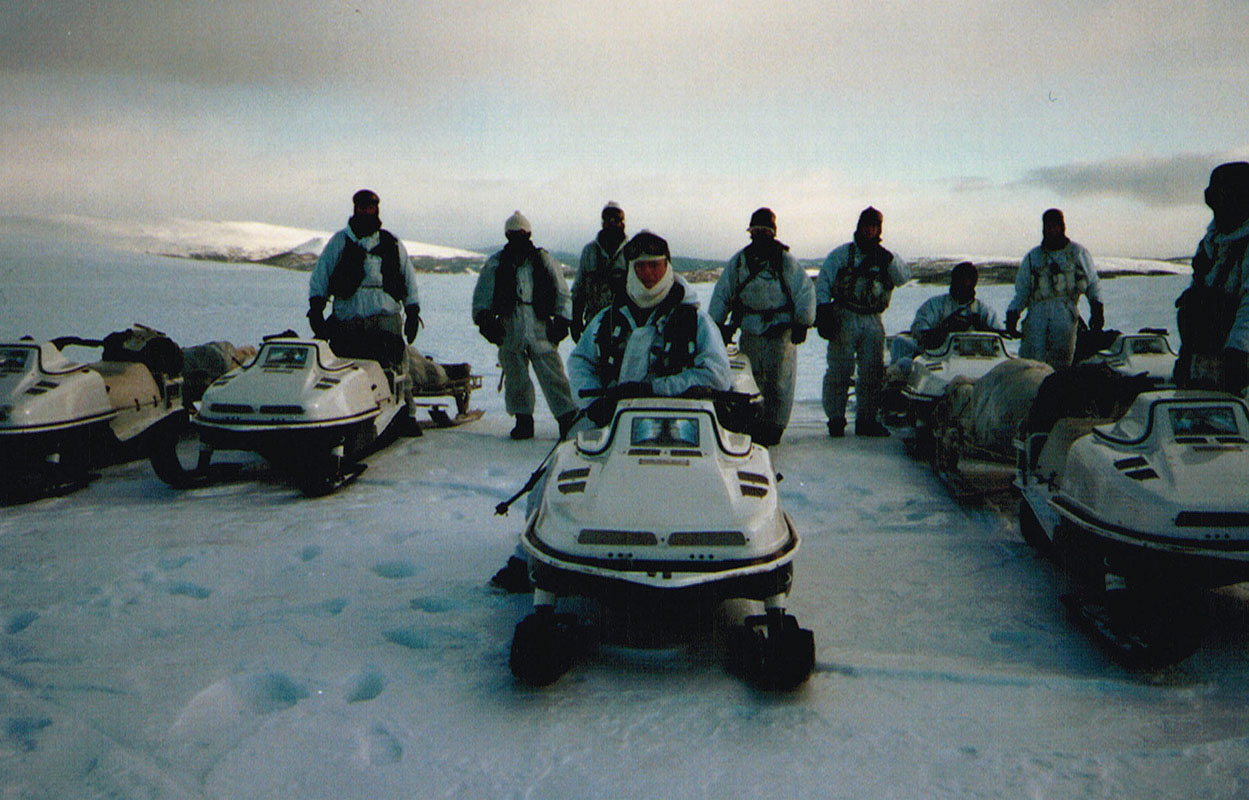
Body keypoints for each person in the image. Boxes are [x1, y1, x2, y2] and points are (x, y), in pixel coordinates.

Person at [568, 230, 732, 428]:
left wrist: (653, 390)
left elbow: (717, 375)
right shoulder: (608, 319)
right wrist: (594, 403)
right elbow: (580, 361)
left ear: (667, 267)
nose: (647, 273)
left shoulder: (696, 322)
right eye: (640, 266)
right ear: (630, 269)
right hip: (613, 425)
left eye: (654, 265)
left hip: (680, 424)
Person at [307, 189, 423, 423]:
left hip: (385, 319)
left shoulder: (391, 243)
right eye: (362, 207)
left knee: (398, 369)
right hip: (349, 321)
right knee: (346, 373)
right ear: (355, 209)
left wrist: (412, 311)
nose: (366, 211)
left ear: (377, 210)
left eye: (370, 207)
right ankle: (344, 416)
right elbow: (321, 275)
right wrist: (316, 307)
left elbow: (408, 278)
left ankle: (406, 415)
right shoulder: (340, 242)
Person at [707, 208, 816, 445]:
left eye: (765, 231)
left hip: (781, 332)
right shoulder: (738, 263)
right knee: (750, 379)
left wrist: (803, 322)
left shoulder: (787, 263)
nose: (760, 236)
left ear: (773, 233)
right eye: (756, 231)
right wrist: (715, 325)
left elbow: (804, 291)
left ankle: (775, 426)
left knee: (780, 381)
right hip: (751, 329)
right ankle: (753, 423)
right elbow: (722, 294)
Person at [472, 211, 578, 440]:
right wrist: (487, 323)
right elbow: (482, 297)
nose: (517, 237)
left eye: (521, 233)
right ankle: (523, 421)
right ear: (507, 235)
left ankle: (567, 419)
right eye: (513, 234)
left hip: (540, 324)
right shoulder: (496, 263)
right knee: (515, 376)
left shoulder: (543, 260)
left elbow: (562, 292)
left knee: (553, 375)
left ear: (528, 233)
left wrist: (562, 321)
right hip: (510, 325)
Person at [815, 206, 912, 437]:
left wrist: (887, 259)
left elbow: (903, 278)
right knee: (839, 369)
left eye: (874, 226)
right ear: (859, 227)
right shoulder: (841, 255)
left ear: (879, 229)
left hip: (872, 319)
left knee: (872, 372)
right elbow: (823, 282)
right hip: (844, 317)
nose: (869, 230)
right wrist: (823, 310)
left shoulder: (886, 258)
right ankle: (836, 418)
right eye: (866, 226)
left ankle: (866, 420)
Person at [1174, 161, 1249, 394]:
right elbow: (1200, 293)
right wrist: (1188, 355)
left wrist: (1238, 353)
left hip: (1239, 360)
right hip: (1209, 355)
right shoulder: (1212, 242)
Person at [1005, 209, 1103, 370]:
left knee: (1062, 365)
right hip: (1036, 316)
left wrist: (1097, 308)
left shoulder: (1077, 253)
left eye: (1055, 226)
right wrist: (1013, 313)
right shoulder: (1033, 257)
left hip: (1065, 315)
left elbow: (1093, 284)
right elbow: (1022, 291)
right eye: (1048, 227)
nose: (1051, 230)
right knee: (1031, 365)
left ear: (1062, 227)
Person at [570, 202, 628, 342]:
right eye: (608, 220)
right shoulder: (589, 252)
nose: (612, 224)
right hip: (593, 324)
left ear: (622, 223)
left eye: (616, 220)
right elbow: (579, 289)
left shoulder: (631, 252)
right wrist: (576, 320)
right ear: (603, 223)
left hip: (624, 325)